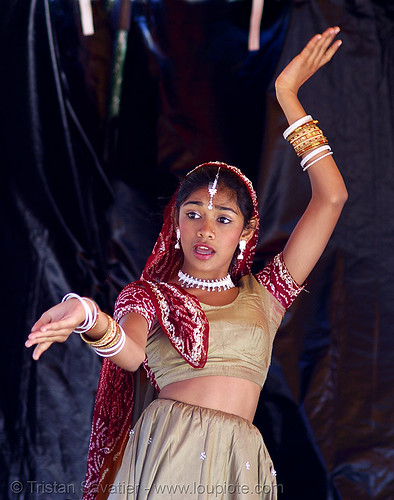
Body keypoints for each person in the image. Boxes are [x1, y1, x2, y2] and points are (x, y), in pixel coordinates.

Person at [26, 27, 347, 500]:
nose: (206, 229)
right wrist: (89, 316)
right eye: (193, 214)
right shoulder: (151, 296)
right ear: (175, 224)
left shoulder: (268, 294)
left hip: (242, 463)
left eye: (223, 217)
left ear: (244, 233)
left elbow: (332, 197)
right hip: (171, 453)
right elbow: (132, 354)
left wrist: (287, 96)